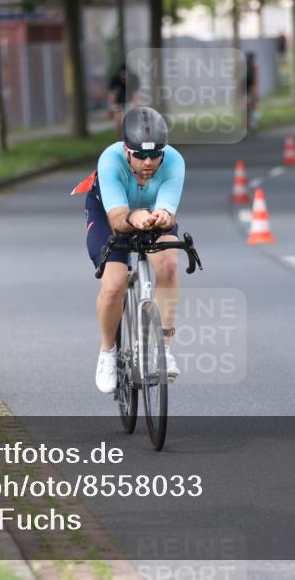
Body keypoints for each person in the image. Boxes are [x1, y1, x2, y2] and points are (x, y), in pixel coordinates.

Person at [83, 106, 185, 393]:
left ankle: (162, 350)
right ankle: (107, 352)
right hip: (110, 214)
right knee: (114, 284)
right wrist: (132, 217)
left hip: (150, 213)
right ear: (127, 151)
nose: (149, 162)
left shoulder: (175, 161)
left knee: (168, 266)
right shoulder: (110, 160)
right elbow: (117, 220)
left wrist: (164, 216)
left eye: (155, 155)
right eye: (140, 155)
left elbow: (168, 210)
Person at [107, 63, 130, 136]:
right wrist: (111, 109)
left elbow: (136, 96)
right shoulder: (115, 81)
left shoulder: (134, 80)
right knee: (118, 120)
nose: (124, 80)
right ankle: (119, 140)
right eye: (123, 77)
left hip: (129, 103)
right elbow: (112, 96)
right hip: (119, 103)